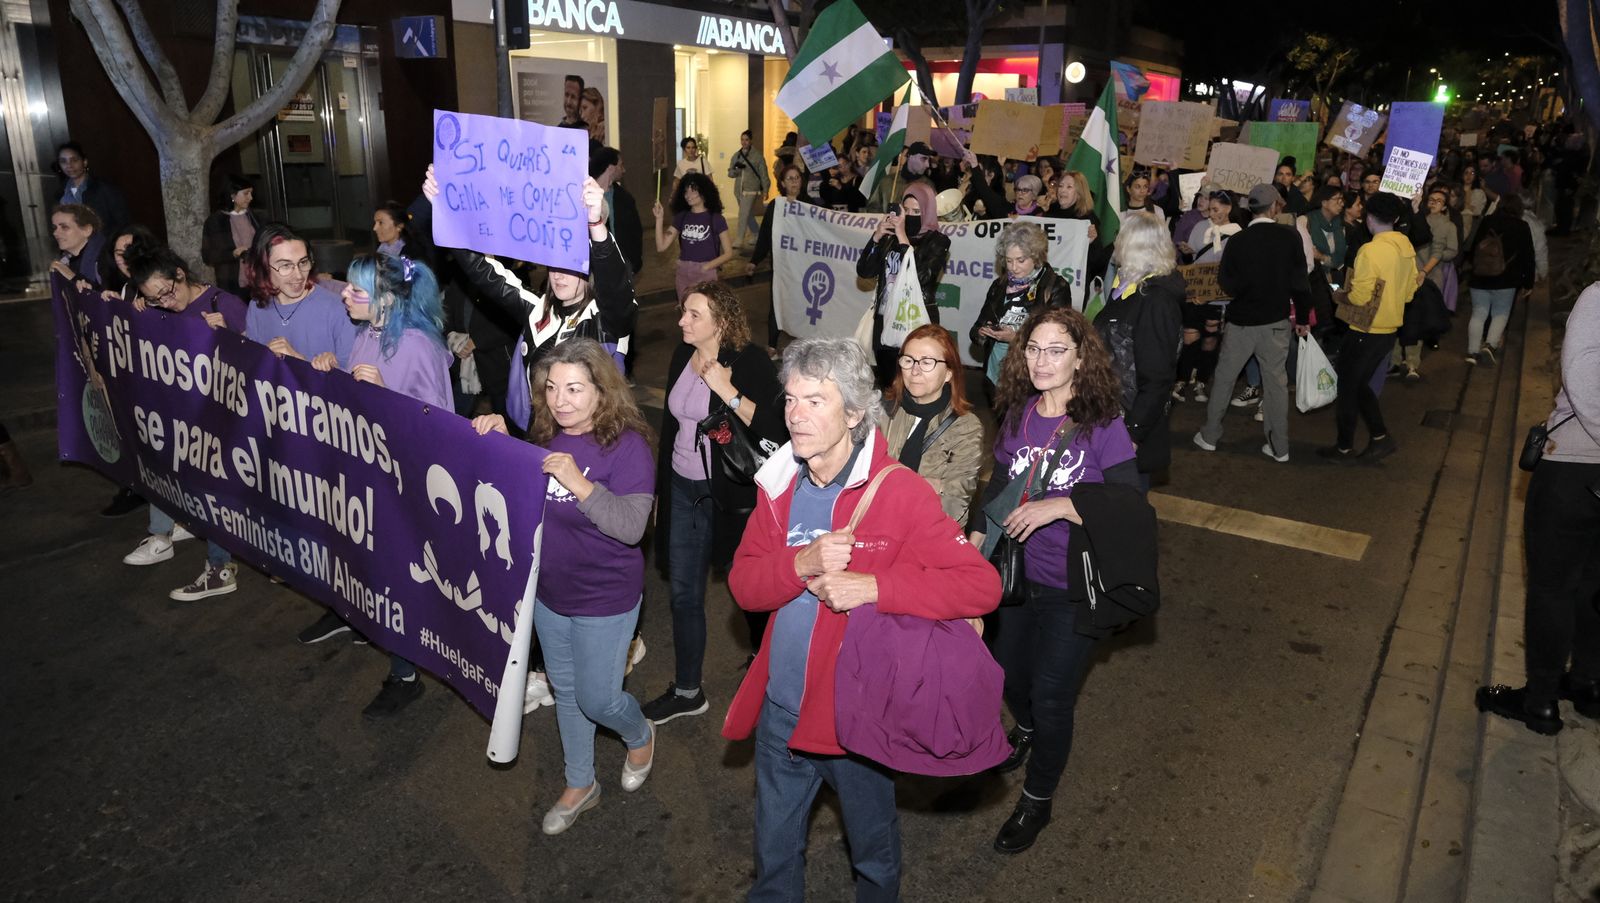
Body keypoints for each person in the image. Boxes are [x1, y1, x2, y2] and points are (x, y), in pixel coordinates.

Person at [724, 336, 999, 900]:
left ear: (853, 413)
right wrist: (800, 561)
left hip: (854, 721)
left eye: (815, 401)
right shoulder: (779, 484)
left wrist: (872, 586)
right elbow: (745, 587)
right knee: (773, 857)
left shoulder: (898, 493)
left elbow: (980, 584)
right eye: (791, 399)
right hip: (781, 711)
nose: (796, 414)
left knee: (873, 856)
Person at [969, 305, 1140, 854]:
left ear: (1081, 357)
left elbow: (1130, 506)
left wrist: (1061, 506)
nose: (1041, 360)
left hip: (1073, 586)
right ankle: (1027, 728)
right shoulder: (1019, 413)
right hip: (1015, 577)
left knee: (1051, 695)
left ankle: (1037, 800)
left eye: (1056, 350)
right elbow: (997, 483)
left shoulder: (1103, 423)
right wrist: (973, 541)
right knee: (1005, 675)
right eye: (1033, 349)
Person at [472, 339, 657, 834]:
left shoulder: (628, 447)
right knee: (567, 690)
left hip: (606, 597)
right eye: (551, 388)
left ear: (602, 391)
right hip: (552, 596)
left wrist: (582, 484)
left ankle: (640, 733)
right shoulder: (546, 436)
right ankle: (581, 782)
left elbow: (633, 527)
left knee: (599, 699)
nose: (560, 399)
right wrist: (495, 436)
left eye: (574, 388)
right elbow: (518, 483)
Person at [305, 253, 451, 716]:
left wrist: (384, 392)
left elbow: (439, 429)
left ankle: (404, 675)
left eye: (356, 290)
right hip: (370, 479)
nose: (345, 294)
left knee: (398, 580)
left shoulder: (417, 345)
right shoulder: (365, 333)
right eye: (347, 286)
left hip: (403, 488)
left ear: (386, 298)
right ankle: (372, 628)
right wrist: (333, 371)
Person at [643, 282, 787, 725]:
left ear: (720, 322)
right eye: (683, 312)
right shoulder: (680, 356)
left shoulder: (750, 362)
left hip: (731, 498)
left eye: (694, 314)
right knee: (685, 594)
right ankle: (688, 690)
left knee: (751, 593)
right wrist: (660, 491)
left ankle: (770, 672)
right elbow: (671, 429)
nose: (682, 321)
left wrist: (728, 390)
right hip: (684, 490)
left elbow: (775, 432)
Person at [1475, 282, 1600, 735]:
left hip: (1574, 469)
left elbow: (1585, 386)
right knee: (1592, 584)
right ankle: (1587, 684)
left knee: (1553, 588)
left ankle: (1542, 700)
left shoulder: (1598, 299)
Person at [118, 243, 248, 570]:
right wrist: (135, 311)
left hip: (222, 420)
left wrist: (230, 335)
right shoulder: (159, 309)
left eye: (167, 291)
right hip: (183, 415)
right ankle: (164, 534)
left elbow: (259, 362)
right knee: (164, 463)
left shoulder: (224, 303)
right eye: (154, 298)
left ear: (180, 274)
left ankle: (219, 567)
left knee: (212, 484)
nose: (166, 301)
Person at [1193, 185, 1310, 464]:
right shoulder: (1289, 237)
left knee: (1224, 378)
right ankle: (1279, 446)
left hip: (1241, 321)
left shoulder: (1238, 241)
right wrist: (1303, 318)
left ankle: (1210, 436)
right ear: (1273, 207)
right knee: (1276, 385)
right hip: (1275, 323)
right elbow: (1300, 282)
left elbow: (1226, 282)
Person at [1317, 192, 1416, 463]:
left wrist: (1339, 296)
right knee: (1360, 385)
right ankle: (1380, 438)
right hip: (1389, 330)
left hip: (1364, 331)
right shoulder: (1405, 246)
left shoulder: (1370, 250)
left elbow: (1360, 297)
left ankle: (1344, 448)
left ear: (1369, 218)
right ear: (1395, 218)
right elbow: (1409, 293)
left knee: (1348, 388)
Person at [1095, 211, 1184, 487]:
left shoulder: (1155, 300)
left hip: (1127, 425)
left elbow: (1157, 378)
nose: (1116, 242)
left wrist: (1132, 434)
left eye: (1121, 236)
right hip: (1108, 416)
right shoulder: (1128, 287)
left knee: (1124, 509)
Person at [881, 324, 984, 523]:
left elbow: (955, 500)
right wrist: (930, 485)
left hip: (926, 533)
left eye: (927, 362)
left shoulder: (966, 427)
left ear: (948, 372)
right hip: (878, 522)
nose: (915, 371)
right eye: (908, 360)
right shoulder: (884, 411)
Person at [857, 180, 951, 385]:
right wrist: (877, 237)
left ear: (927, 211)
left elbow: (921, 276)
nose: (908, 216)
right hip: (884, 318)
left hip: (916, 319)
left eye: (916, 211)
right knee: (888, 381)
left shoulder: (937, 241)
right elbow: (864, 271)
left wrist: (901, 236)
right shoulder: (889, 237)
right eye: (905, 210)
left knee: (914, 380)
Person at [971, 221, 1072, 387]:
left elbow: (1057, 339)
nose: (1014, 268)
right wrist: (983, 333)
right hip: (995, 373)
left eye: (1020, 260)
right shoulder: (999, 285)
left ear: (1036, 256)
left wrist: (1016, 338)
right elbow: (977, 328)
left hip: (1030, 374)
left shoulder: (1055, 287)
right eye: (1009, 261)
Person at [747, 164, 813, 355]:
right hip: (782, 266)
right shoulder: (776, 206)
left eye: (797, 177)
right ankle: (772, 345)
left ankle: (805, 344)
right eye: (790, 178)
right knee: (777, 302)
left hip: (803, 267)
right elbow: (766, 235)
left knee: (803, 304)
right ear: (782, 183)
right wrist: (754, 260)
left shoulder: (810, 205)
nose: (794, 181)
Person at [1464, 193, 1535, 366]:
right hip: (1507, 280)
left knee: (1478, 313)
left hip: (1480, 277)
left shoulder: (1487, 221)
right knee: (1500, 314)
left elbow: (1474, 248)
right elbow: (1528, 256)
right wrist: (1528, 283)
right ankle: (1490, 345)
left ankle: (1472, 352)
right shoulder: (1522, 226)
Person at [655, 172, 734, 302]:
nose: (688, 195)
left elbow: (729, 253)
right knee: (685, 312)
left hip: (705, 274)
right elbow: (661, 246)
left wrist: (706, 267)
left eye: (693, 191)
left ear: (704, 192)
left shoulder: (716, 219)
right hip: (683, 272)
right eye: (686, 191)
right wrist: (659, 219)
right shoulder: (682, 217)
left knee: (705, 314)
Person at [201, 175, 259, 297]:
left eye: (251, 193)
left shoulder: (255, 217)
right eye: (246, 194)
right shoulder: (215, 221)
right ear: (232, 195)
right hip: (232, 283)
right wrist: (233, 254)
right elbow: (208, 256)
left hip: (259, 280)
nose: (250, 198)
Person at [54, 141, 129, 235]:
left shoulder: (104, 189)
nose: (69, 165)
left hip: (103, 246)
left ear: (84, 162)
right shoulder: (60, 194)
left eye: (74, 160)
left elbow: (124, 224)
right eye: (63, 161)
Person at [729, 129, 771, 250]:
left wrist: (766, 190)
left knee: (743, 214)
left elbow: (764, 174)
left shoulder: (757, 156)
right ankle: (757, 233)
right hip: (738, 190)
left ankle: (739, 239)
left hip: (751, 189)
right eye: (742, 139)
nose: (744, 142)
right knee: (748, 214)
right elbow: (731, 174)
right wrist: (736, 169)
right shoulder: (736, 155)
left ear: (751, 141)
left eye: (746, 139)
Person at [49, 204, 106, 288]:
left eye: (64, 227)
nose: (55, 233)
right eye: (55, 228)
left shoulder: (105, 258)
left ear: (87, 230)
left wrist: (72, 276)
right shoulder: (67, 259)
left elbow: (109, 296)